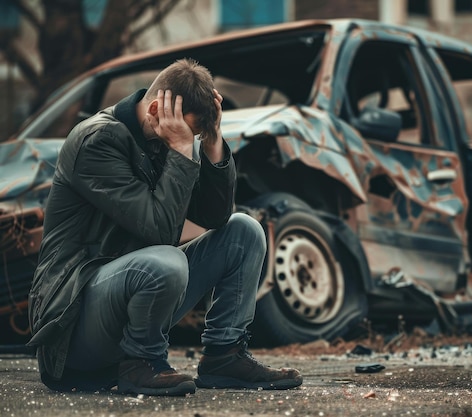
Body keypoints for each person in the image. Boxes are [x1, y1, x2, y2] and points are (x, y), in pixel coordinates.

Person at [27, 58, 302, 396]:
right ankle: (141, 363)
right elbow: (158, 230)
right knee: (166, 261)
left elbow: (215, 218)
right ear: (157, 108)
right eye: (191, 133)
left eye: (194, 135)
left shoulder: (163, 139)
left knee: (243, 232)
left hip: (134, 288)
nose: (190, 140)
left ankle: (224, 356)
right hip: (75, 320)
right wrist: (182, 149)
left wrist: (212, 138)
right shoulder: (97, 141)